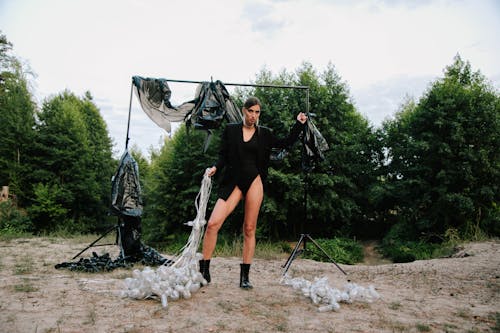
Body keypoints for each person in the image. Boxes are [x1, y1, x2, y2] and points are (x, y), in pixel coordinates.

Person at [199, 96, 308, 289]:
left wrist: (298, 125)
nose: (253, 116)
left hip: (254, 181)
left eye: (257, 112)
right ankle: (204, 271)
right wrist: (215, 167)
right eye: (251, 111)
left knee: (249, 229)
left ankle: (245, 276)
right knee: (213, 224)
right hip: (233, 182)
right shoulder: (231, 130)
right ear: (244, 110)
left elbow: (284, 143)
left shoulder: (264, 134)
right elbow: (223, 155)